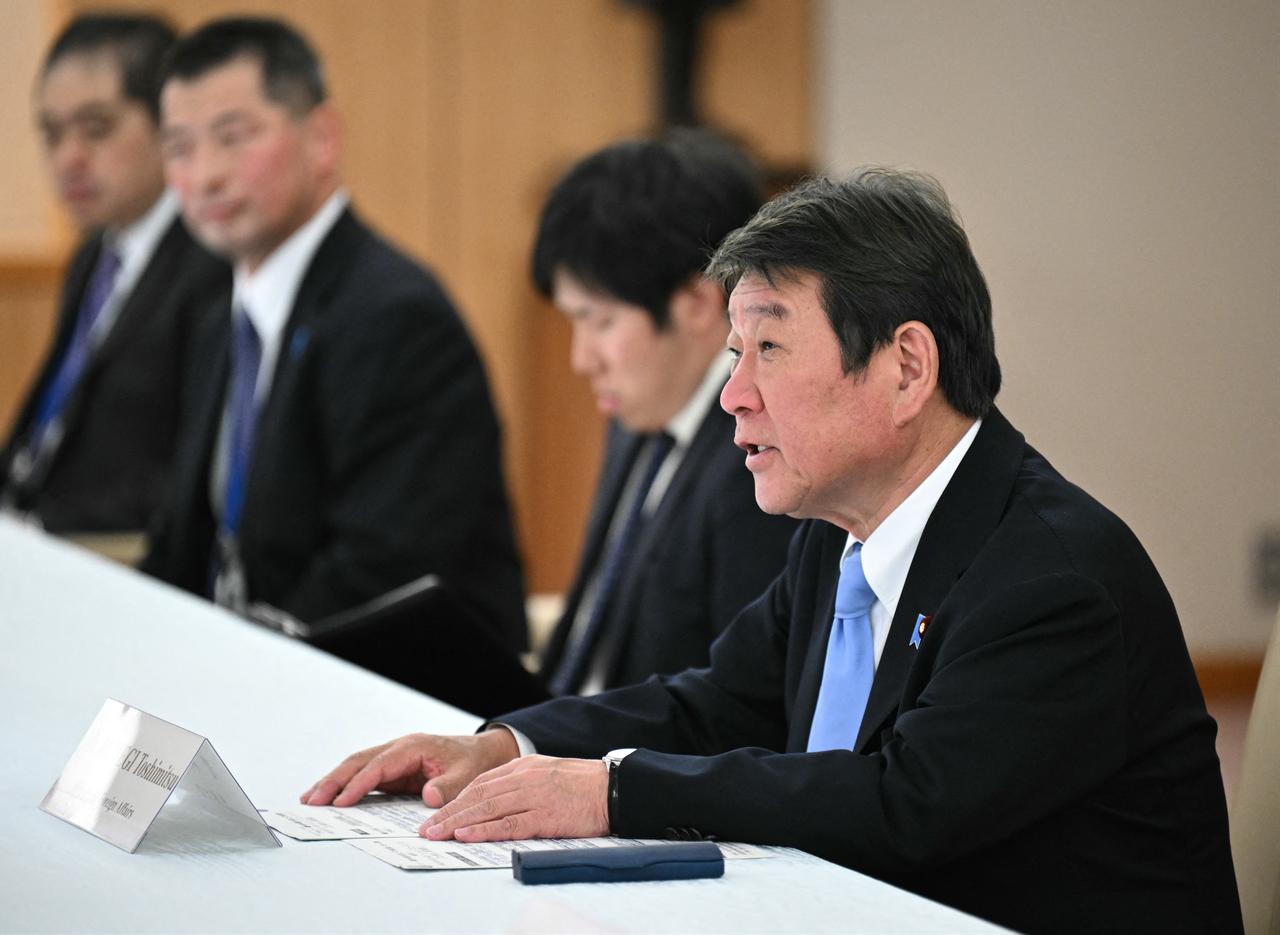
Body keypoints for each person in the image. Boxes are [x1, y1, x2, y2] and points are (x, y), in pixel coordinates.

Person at [303, 168, 1243, 934]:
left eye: (769, 351)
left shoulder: (1055, 580)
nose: (732, 395)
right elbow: (714, 704)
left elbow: (903, 801)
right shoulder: (836, 535)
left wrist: (613, 793)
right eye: (732, 351)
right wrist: (508, 743)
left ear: (906, 367)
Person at [141, 17, 526, 652]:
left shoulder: (394, 314)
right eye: (179, 148)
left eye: (233, 138)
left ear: (321, 137)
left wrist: (227, 663)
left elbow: (382, 570)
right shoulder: (220, 322)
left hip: (395, 691)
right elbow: (187, 542)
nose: (204, 174)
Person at [531, 133, 797, 695]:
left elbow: (741, 709)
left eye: (599, 322)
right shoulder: (638, 420)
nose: (582, 360)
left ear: (697, 303)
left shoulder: (759, 458)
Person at [1, 14, 229, 533]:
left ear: (170, 124)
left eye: (96, 128)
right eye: (52, 134)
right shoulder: (94, 255)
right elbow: (46, 433)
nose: (68, 159)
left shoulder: (213, 264)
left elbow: (185, 482)